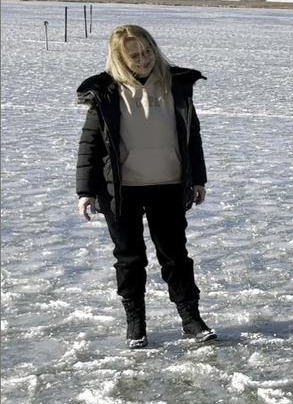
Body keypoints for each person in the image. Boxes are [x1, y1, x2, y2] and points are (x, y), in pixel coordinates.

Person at [75, 25, 215, 349]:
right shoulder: (105, 92)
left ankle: (191, 319)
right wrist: (85, 191)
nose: (144, 60)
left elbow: (191, 136)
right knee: (129, 259)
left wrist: (198, 179)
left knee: (176, 257)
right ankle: (135, 322)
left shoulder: (177, 85)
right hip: (120, 192)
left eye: (148, 52)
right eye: (135, 56)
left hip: (168, 185)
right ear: (121, 59)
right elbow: (90, 145)